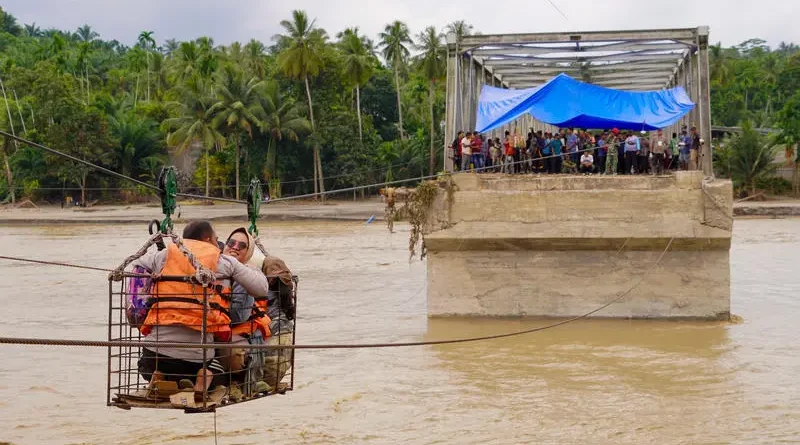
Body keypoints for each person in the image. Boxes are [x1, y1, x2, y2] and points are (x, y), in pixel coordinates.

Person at [135, 220, 271, 394]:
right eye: (217, 239)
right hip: (193, 362)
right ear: (207, 239)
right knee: (222, 372)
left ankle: (158, 375)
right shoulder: (224, 262)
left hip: (152, 356)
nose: (219, 244)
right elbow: (262, 288)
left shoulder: (164, 255)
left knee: (143, 366)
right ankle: (202, 379)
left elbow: (137, 265)